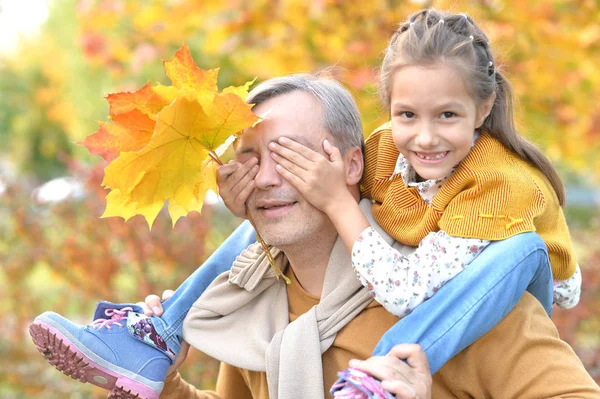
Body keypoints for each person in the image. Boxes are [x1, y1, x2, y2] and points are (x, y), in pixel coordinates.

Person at [29, 9, 592, 399]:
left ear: (350, 167)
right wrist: (163, 386)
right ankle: (150, 345)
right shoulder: (254, 310)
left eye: (290, 156)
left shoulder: (471, 305)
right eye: (249, 158)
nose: (268, 179)